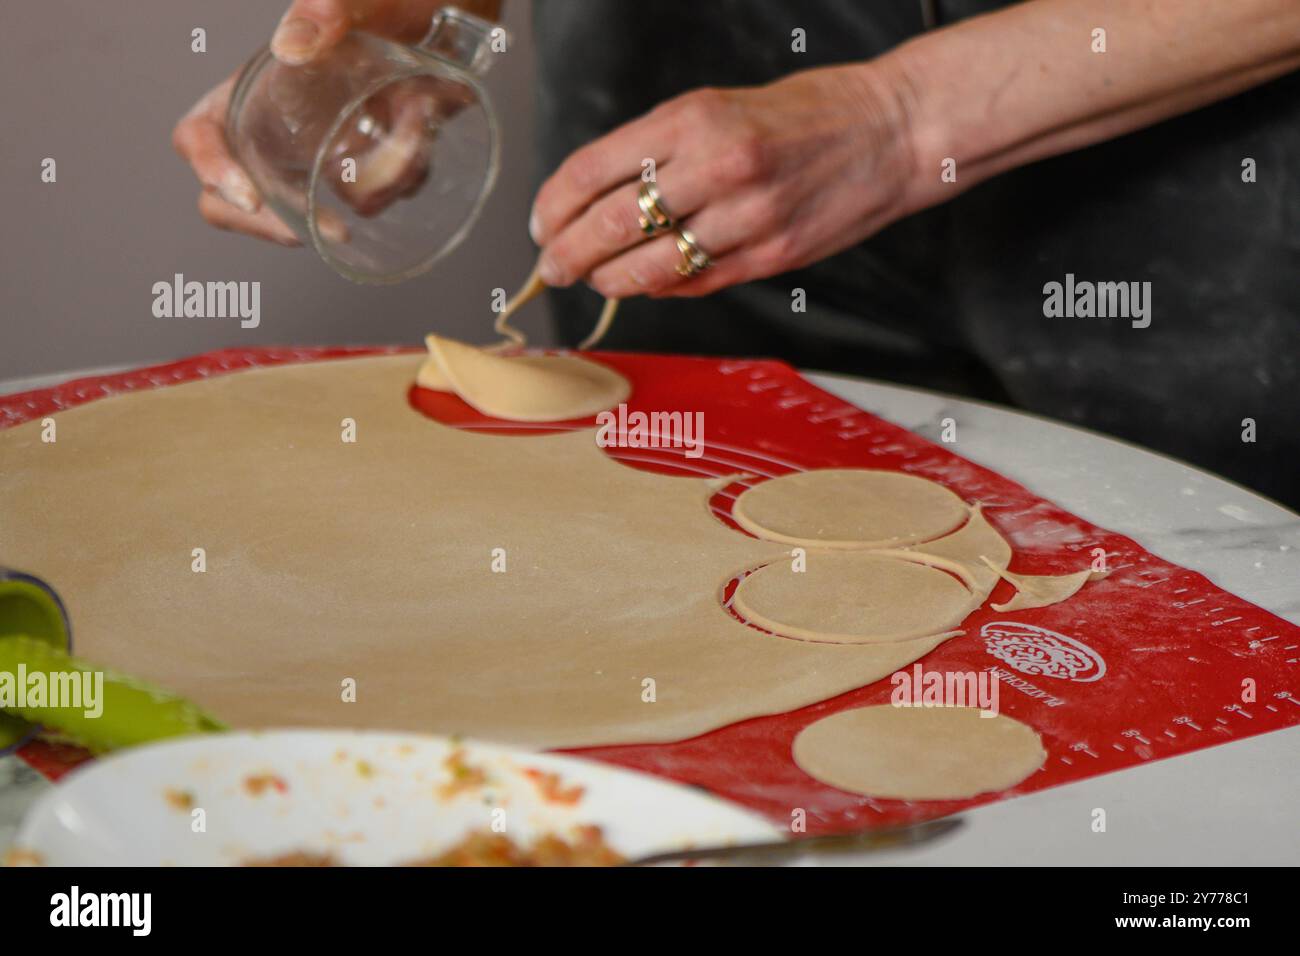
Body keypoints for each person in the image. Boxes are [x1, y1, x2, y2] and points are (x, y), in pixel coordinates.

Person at [174, 0, 1300, 507]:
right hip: (686, 68)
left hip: (1197, 138)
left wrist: (901, 115)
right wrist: (419, 15)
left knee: (1198, 623)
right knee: (687, 556)